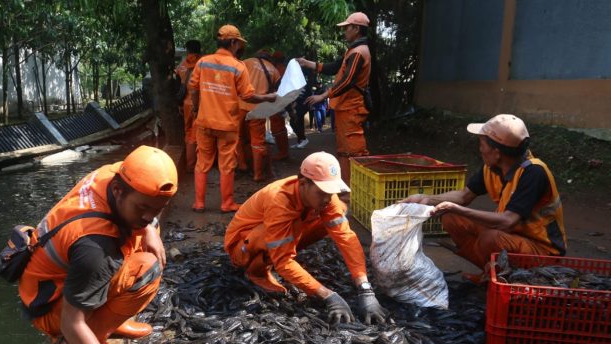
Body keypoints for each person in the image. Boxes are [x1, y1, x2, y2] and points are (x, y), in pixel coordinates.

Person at [17, 145, 178, 344]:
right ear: (119, 191)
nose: (149, 216)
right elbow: (71, 321)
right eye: (142, 208)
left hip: (55, 280)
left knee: (141, 243)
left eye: (158, 209)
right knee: (148, 270)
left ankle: (108, 319)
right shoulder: (96, 246)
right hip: (51, 306)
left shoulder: (115, 174)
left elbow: (146, 210)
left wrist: (151, 227)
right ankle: (79, 342)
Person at [224, 151, 387, 325]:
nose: (327, 198)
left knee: (339, 209)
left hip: (279, 235)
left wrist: (365, 288)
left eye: (330, 192)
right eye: (322, 192)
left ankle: (283, 254)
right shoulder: (279, 200)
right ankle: (257, 272)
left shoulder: (325, 197)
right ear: (303, 183)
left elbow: (345, 237)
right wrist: (327, 295)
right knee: (279, 236)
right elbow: (283, 260)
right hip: (241, 249)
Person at [401, 114, 567, 272]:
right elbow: (464, 196)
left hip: (542, 251)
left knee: (490, 239)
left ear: (497, 153)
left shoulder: (533, 173)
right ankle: (490, 275)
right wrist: (425, 199)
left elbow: (508, 221)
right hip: (512, 236)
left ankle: (510, 279)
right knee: (451, 218)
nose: (480, 149)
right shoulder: (493, 167)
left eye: (482, 144)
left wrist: (457, 208)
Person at [188, 24, 278, 213]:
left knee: (202, 162)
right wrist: (267, 97)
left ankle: (199, 203)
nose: (240, 47)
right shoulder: (238, 66)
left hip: (204, 121)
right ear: (234, 42)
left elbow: (193, 88)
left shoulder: (203, 62)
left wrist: (197, 109)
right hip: (227, 124)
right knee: (227, 164)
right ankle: (226, 203)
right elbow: (248, 96)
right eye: (239, 44)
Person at [297, 12, 372, 186]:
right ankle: (348, 187)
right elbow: (333, 67)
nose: (344, 31)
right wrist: (308, 63)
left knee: (353, 152)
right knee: (345, 150)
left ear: (356, 29)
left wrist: (323, 96)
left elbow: (347, 81)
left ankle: (354, 190)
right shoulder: (353, 50)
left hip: (352, 108)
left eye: (347, 28)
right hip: (346, 108)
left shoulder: (359, 52)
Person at [237, 49, 281, 182]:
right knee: (257, 142)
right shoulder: (274, 70)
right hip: (259, 109)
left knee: (238, 137)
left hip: (240, 105)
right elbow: (277, 92)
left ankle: (242, 164)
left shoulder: (245, 63)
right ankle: (258, 174)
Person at [175, 39, 202, 172]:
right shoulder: (204, 64)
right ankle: (196, 164)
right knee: (199, 134)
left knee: (189, 133)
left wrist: (179, 105)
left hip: (186, 104)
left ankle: (190, 163)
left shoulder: (181, 66)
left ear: (187, 50)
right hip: (201, 104)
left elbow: (176, 87)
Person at [269, 51, 290, 161]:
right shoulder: (285, 69)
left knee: (278, 127)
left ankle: (283, 152)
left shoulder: (277, 70)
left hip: (277, 102)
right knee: (280, 126)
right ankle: (283, 151)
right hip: (282, 101)